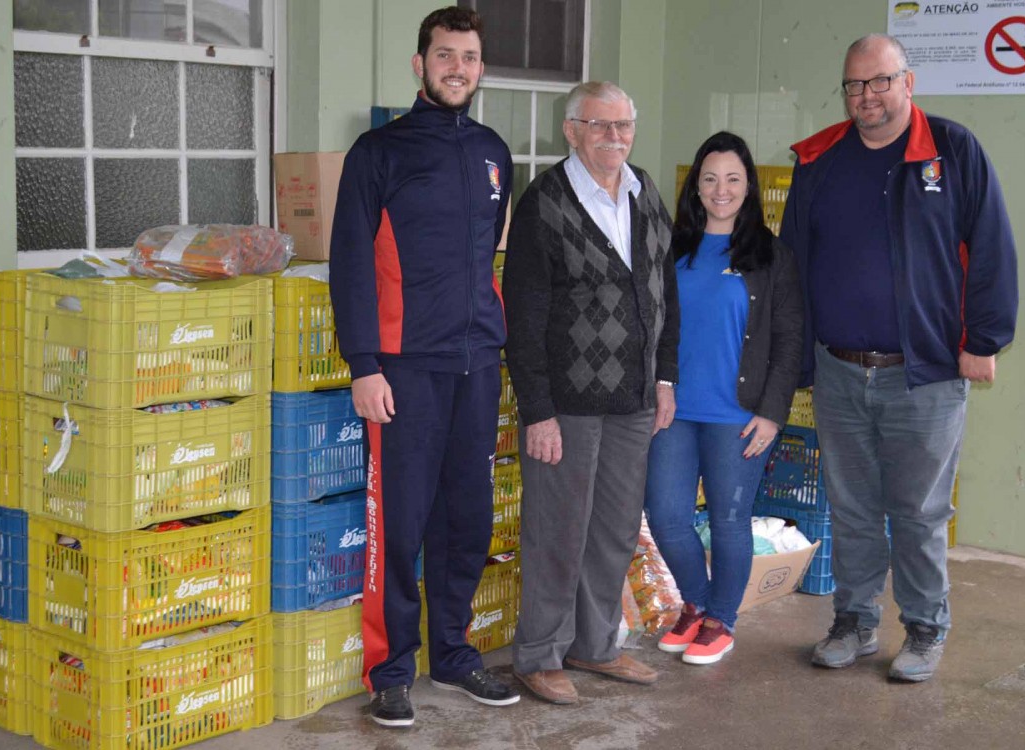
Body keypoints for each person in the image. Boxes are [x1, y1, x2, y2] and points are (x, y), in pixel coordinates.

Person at [780, 33, 1018, 682]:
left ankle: (922, 629)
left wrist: (982, 341)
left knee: (917, 512)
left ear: (907, 83)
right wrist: (797, 359)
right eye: (854, 85)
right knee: (850, 506)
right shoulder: (819, 161)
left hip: (925, 375)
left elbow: (991, 248)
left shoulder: (952, 150)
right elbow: (792, 266)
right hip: (838, 368)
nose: (867, 97)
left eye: (880, 81)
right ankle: (853, 622)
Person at [329, 6, 519, 728]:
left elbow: (489, 262)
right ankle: (390, 669)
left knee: (466, 519)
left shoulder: (494, 152)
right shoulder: (378, 152)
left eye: (468, 58)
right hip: (404, 370)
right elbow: (349, 263)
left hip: (477, 363)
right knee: (400, 524)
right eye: (445, 56)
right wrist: (363, 364)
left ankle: (454, 652)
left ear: (479, 70)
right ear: (419, 64)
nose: (457, 68)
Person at [502, 81, 680, 705]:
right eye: (600, 125)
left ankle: (596, 645)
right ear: (571, 130)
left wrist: (664, 377)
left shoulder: (644, 192)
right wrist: (538, 412)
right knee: (559, 530)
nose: (615, 137)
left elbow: (665, 295)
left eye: (624, 125)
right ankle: (539, 653)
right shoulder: (544, 203)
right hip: (569, 405)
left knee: (613, 528)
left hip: (633, 399)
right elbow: (522, 318)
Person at [643, 132, 804, 665]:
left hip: (738, 415)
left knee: (730, 521)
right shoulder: (673, 247)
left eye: (733, 178)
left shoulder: (770, 255)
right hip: (674, 409)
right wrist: (657, 383)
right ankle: (698, 604)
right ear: (696, 187)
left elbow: (787, 339)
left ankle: (721, 621)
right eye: (710, 178)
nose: (721, 189)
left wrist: (772, 413)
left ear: (748, 186)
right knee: (666, 516)